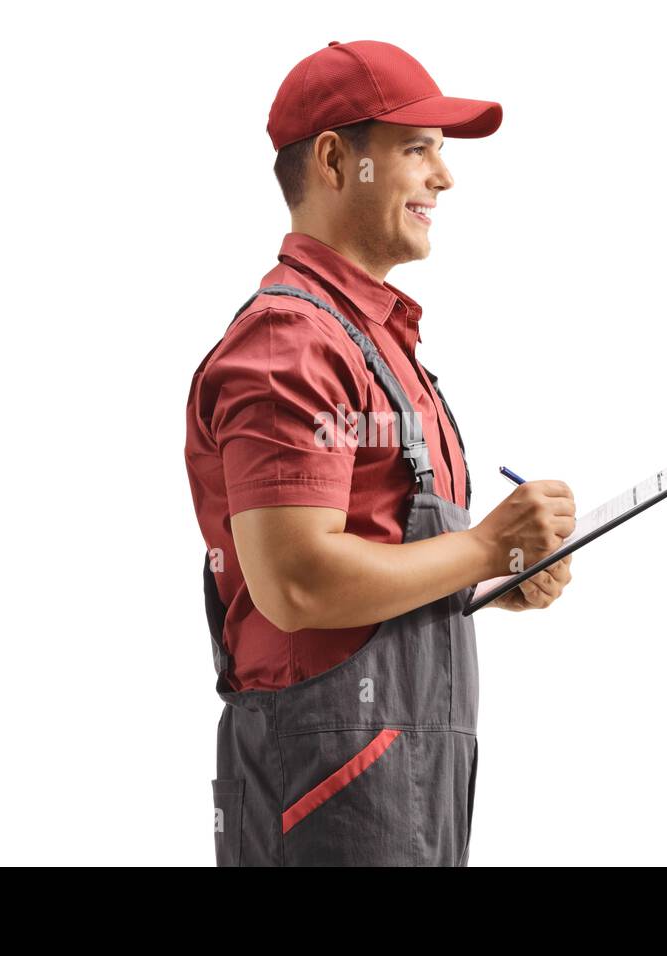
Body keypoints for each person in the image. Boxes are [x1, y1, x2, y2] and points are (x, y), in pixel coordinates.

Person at [184, 40, 576, 866]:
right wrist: (476, 544)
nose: (445, 177)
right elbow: (296, 582)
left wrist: (483, 579)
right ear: (335, 159)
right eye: (417, 149)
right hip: (329, 796)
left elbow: (369, 563)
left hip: (411, 781)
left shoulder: (378, 344)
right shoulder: (290, 345)